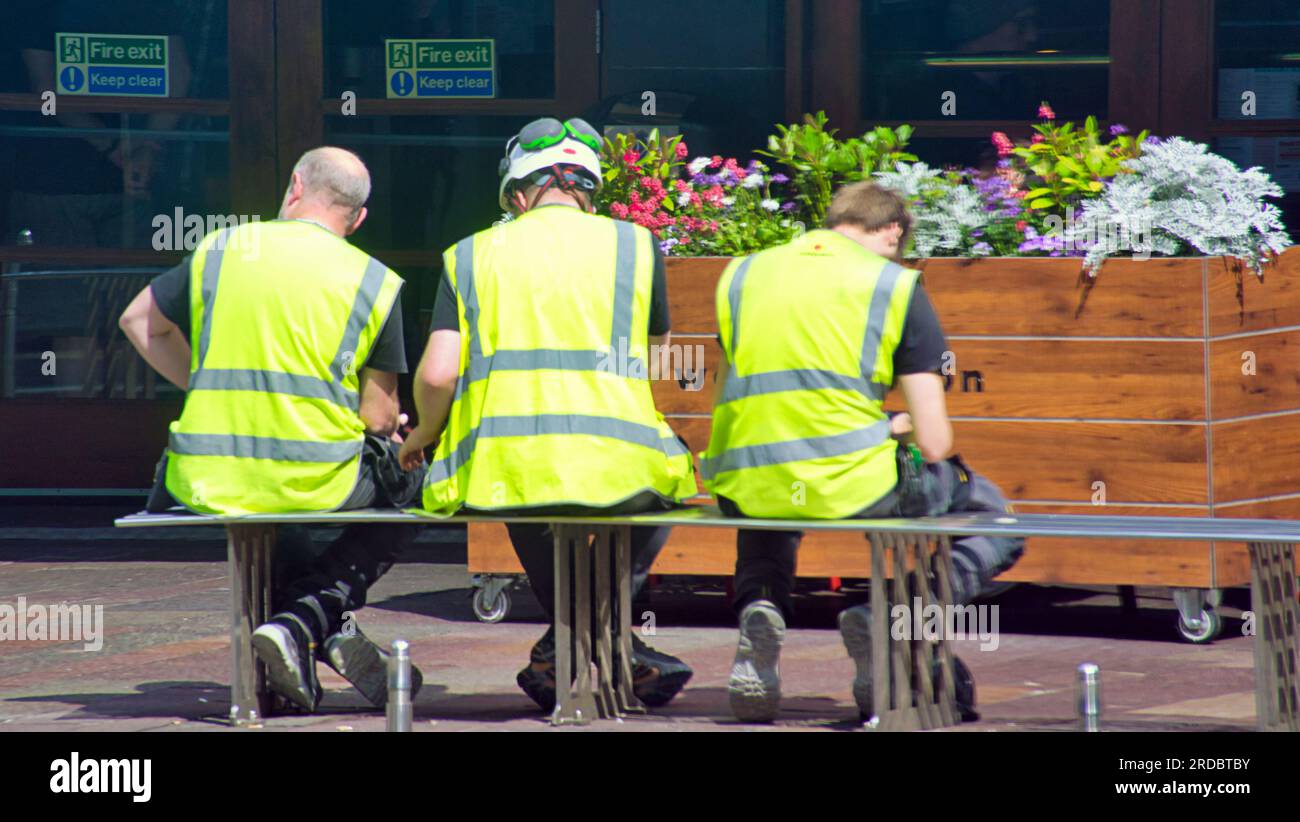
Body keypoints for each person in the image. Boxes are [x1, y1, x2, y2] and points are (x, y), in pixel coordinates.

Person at [398, 117, 697, 713]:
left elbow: (437, 374)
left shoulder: (468, 255)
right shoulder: (634, 246)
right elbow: (657, 353)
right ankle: (607, 648)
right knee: (667, 482)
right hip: (619, 460)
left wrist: (425, 435)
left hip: (503, 465)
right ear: (590, 187)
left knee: (528, 500)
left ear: (516, 193)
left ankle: (563, 647)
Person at [699, 182, 1024, 723]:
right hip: (852, 485)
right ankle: (895, 617)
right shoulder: (893, 284)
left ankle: (761, 604)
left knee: (774, 503)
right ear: (893, 231)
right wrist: (891, 425)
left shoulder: (742, 272)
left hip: (744, 476)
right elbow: (935, 441)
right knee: (994, 517)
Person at [119, 147, 426, 713]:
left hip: (207, 473)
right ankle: (310, 615)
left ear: (293, 187)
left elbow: (139, 322)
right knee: (414, 479)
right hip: (314, 475)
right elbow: (380, 419)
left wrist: (207, 385)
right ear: (357, 219)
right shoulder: (373, 280)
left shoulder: (222, 248)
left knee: (277, 503)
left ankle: (297, 647)